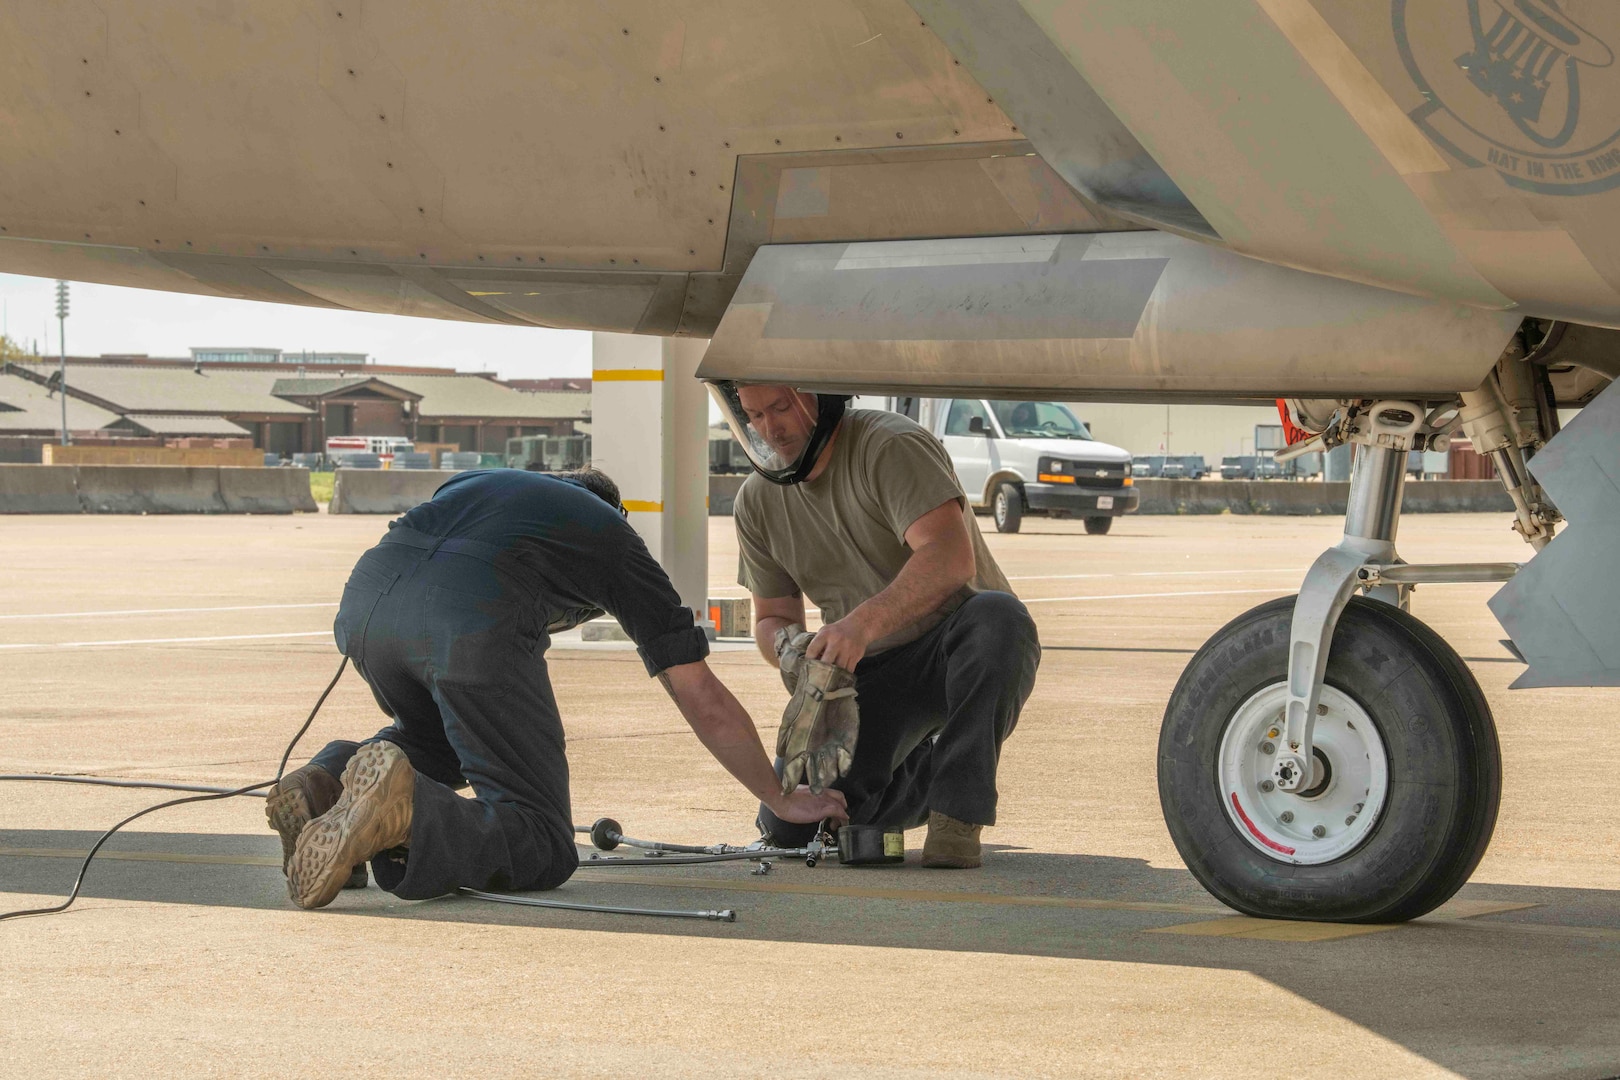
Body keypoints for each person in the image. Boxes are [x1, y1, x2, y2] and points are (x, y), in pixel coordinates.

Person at [266, 466, 846, 910]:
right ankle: (410, 818)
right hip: (471, 619)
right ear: (615, 513)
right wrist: (779, 796)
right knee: (540, 840)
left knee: (437, 740)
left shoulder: (486, 484)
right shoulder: (614, 539)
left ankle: (329, 782)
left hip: (367, 607)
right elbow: (701, 693)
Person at [709, 383, 1041, 868]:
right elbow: (772, 617)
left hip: (953, 643)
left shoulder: (889, 447)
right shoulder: (757, 502)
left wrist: (858, 626)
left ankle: (958, 809)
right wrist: (790, 648)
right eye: (754, 415)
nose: (769, 428)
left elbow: (950, 557)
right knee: (793, 826)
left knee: (1000, 619)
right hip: (864, 672)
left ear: (821, 399)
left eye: (781, 407)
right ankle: (924, 770)